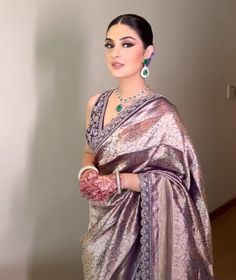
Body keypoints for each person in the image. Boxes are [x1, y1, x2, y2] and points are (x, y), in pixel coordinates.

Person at [78, 14, 213, 280]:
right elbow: (90, 150)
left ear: (147, 52)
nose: (115, 53)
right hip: (103, 224)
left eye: (127, 44)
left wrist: (120, 181)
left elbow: (181, 184)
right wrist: (86, 171)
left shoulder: (163, 114)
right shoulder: (96, 104)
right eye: (109, 44)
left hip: (141, 232)